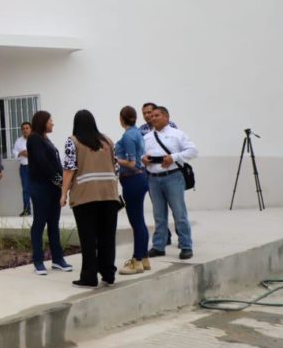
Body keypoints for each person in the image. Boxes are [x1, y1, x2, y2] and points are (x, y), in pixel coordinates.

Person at [61, 110, 120, 288]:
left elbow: (69, 169)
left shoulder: (73, 141)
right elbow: (116, 167)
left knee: (88, 238)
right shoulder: (108, 141)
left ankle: (89, 276)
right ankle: (108, 274)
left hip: (85, 197)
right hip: (110, 195)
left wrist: (63, 194)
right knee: (107, 237)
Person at [142, 105, 198, 260]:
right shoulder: (147, 137)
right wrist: (143, 159)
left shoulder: (177, 134)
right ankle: (159, 246)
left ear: (166, 117)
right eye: (151, 116)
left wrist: (173, 157)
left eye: (157, 115)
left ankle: (186, 246)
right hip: (153, 179)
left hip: (173, 177)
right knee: (159, 215)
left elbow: (193, 151)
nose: (153, 118)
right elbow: (141, 155)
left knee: (179, 213)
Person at [25, 111, 73, 275]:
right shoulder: (34, 138)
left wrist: (61, 183)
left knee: (54, 223)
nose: (53, 123)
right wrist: (59, 180)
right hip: (41, 187)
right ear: (42, 122)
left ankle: (58, 259)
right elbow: (42, 162)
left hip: (53, 188)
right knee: (39, 223)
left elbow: (54, 163)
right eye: (50, 120)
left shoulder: (45, 139)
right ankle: (38, 261)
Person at [115, 106, 150, 275]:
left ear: (121, 119)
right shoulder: (138, 133)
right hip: (139, 179)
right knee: (140, 221)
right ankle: (144, 258)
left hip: (132, 180)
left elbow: (131, 163)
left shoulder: (129, 136)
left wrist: (115, 159)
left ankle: (136, 261)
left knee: (136, 222)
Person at [12, 121, 33, 216]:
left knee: (37, 188)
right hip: (24, 167)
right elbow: (14, 152)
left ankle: (40, 209)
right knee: (25, 188)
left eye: (27, 128)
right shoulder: (19, 140)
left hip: (35, 167)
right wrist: (21, 153)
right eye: (23, 128)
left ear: (31, 129)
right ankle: (26, 209)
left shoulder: (35, 139)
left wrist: (30, 154)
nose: (25, 130)